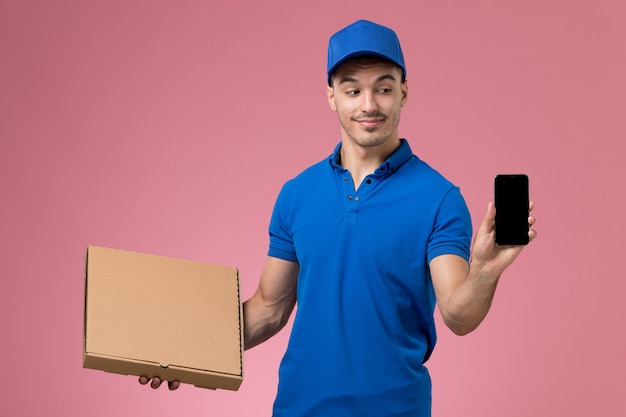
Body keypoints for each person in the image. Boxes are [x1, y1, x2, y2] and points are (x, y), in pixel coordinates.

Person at [140, 19, 537, 416]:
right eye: (353, 90)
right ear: (332, 97)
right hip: (299, 408)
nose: (369, 105)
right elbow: (268, 309)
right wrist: (184, 350)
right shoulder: (297, 193)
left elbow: (457, 314)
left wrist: (484, 270)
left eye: (383, 88)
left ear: (404, 93)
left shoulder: (440, 199)